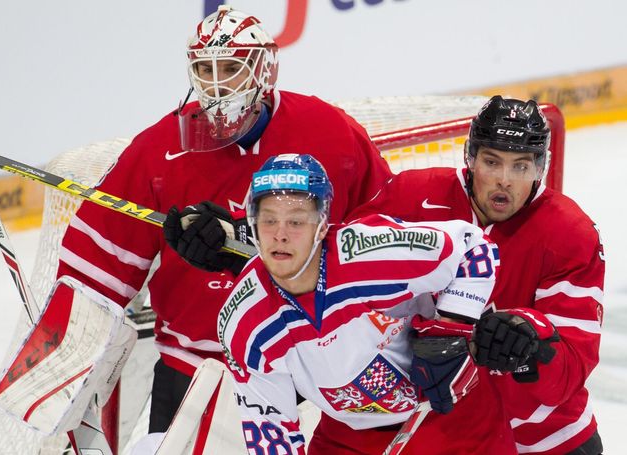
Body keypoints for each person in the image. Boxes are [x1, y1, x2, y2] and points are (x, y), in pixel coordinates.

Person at [56, 5, 392, 436]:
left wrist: (241, 240)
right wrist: (67, 352)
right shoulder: (160, 149)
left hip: (313, 364)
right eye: (205, 70)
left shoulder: (329, 131)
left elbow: (381, 235)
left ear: (264, 69)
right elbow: (92, 268)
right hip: (196, 371)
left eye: (231, 67)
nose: (217, 86)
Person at [345, 96, 605, 454]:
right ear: (470, 157)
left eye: (520, 166)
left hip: (545, 439)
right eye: (491, 161)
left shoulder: (569, 232)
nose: (504, 180)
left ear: (539, 168)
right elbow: (342, 273)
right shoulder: (410, 198)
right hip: (445, 434)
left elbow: (571, 369)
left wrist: (529, 342)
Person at [219, 153, 516, 454]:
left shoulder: (367, 252)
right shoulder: (244, 319)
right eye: (269, 220)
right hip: (349, 436)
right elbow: (270, 427)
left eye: (296, 221)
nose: (280, 236)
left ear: (322, 225)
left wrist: (450, 333)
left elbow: (474, 248)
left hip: (450, 415)